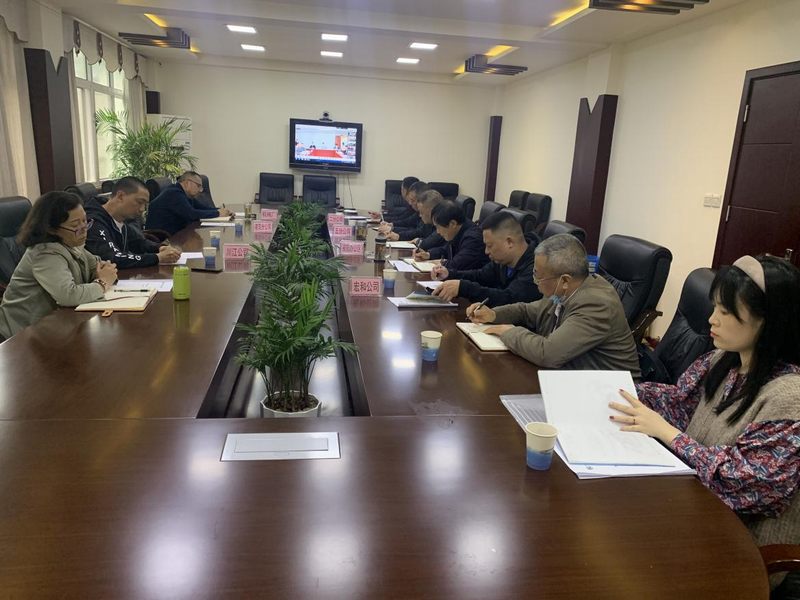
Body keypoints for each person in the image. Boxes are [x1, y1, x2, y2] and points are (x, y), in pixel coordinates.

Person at [609, 255, 800, 596]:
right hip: (687, 508)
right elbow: (680, 402)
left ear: (769, 321)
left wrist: (666, 432)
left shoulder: (789, 398)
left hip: (737, 546)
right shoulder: (723, 359)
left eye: (726, 312)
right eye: (715, 307)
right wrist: (616, 390)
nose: (712, 319)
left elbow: (743, 483)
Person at [468, 233, 639, 375]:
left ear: (565, 280)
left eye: (538, 275)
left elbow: (547, 353)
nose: (535, 280)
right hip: (575, 379)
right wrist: (493, 314)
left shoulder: (596, 304)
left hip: (613, 393)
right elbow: (527, 311)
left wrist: (508, 332)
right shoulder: (567, 291)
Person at [0, 191, 118, 340]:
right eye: (75, 225)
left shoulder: (71, 243)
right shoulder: (45, 253)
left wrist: (104, 273)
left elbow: (99, 266)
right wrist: (103, 282)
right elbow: (68, 296)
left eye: (85, 221)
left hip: (55, 325)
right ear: (51, 228)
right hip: (20, 336)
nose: (84, 230)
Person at [431, 210, 541, 306]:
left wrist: (464, 288)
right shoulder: (502, 261)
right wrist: (450, 274)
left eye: (489, 246)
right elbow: (481, 276)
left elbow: (509, 299)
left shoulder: (536, 267)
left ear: (509, 242)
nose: (486, 251)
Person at [85, 176, 181, 268]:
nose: (142, 209)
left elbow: (138, 243)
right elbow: (112, 258)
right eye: (139, 202)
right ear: (120, 196)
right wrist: (157, 258)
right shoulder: (94, 222)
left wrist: (160, 248)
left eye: (145, 204)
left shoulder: (121, 219)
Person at [145, 171, 232, 235]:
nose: (200, 190)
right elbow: (192, 214)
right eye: (198, 186)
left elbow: (202, 207)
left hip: (176, 233)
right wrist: (218, 213)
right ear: (187, 183)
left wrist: (222, 211)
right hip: (161, 238)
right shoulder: (174, 193)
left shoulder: (185, 194)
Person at [413, 200, 489, 271]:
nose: (438, 232)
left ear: (453, 224)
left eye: (438, 227)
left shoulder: (473, 239)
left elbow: (456, 265)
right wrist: (428, 254)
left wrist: (437, 263)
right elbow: (446, 250)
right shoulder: (458, 230)